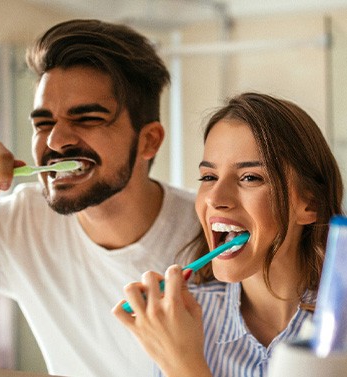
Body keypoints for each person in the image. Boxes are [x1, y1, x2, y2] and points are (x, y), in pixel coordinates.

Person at [0, 19, 209, 377]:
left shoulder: (211, 235)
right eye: (43, 123)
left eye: (87, 118)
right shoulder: (18, 222)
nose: (55, 141)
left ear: (149, 141)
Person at [113, 92, 345, 377]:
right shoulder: (180, 322)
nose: (215, 198)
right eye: (209, 177)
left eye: (250, 178)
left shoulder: (339, 330)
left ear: (310, 204)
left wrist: (184, 366)